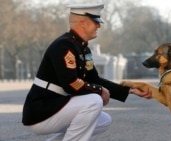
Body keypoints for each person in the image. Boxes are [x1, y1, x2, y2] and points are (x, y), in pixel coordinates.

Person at [22, 3, 151, 141]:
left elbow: (94, 79)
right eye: (96, 22)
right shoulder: (63, 46)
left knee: (103, 121)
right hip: (41, 111)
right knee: (94, 101)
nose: (99, 26)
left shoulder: (82, 48)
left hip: (56, 107)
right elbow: (70, 83)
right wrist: (100, 90)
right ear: (82, 23)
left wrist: (129, 90)